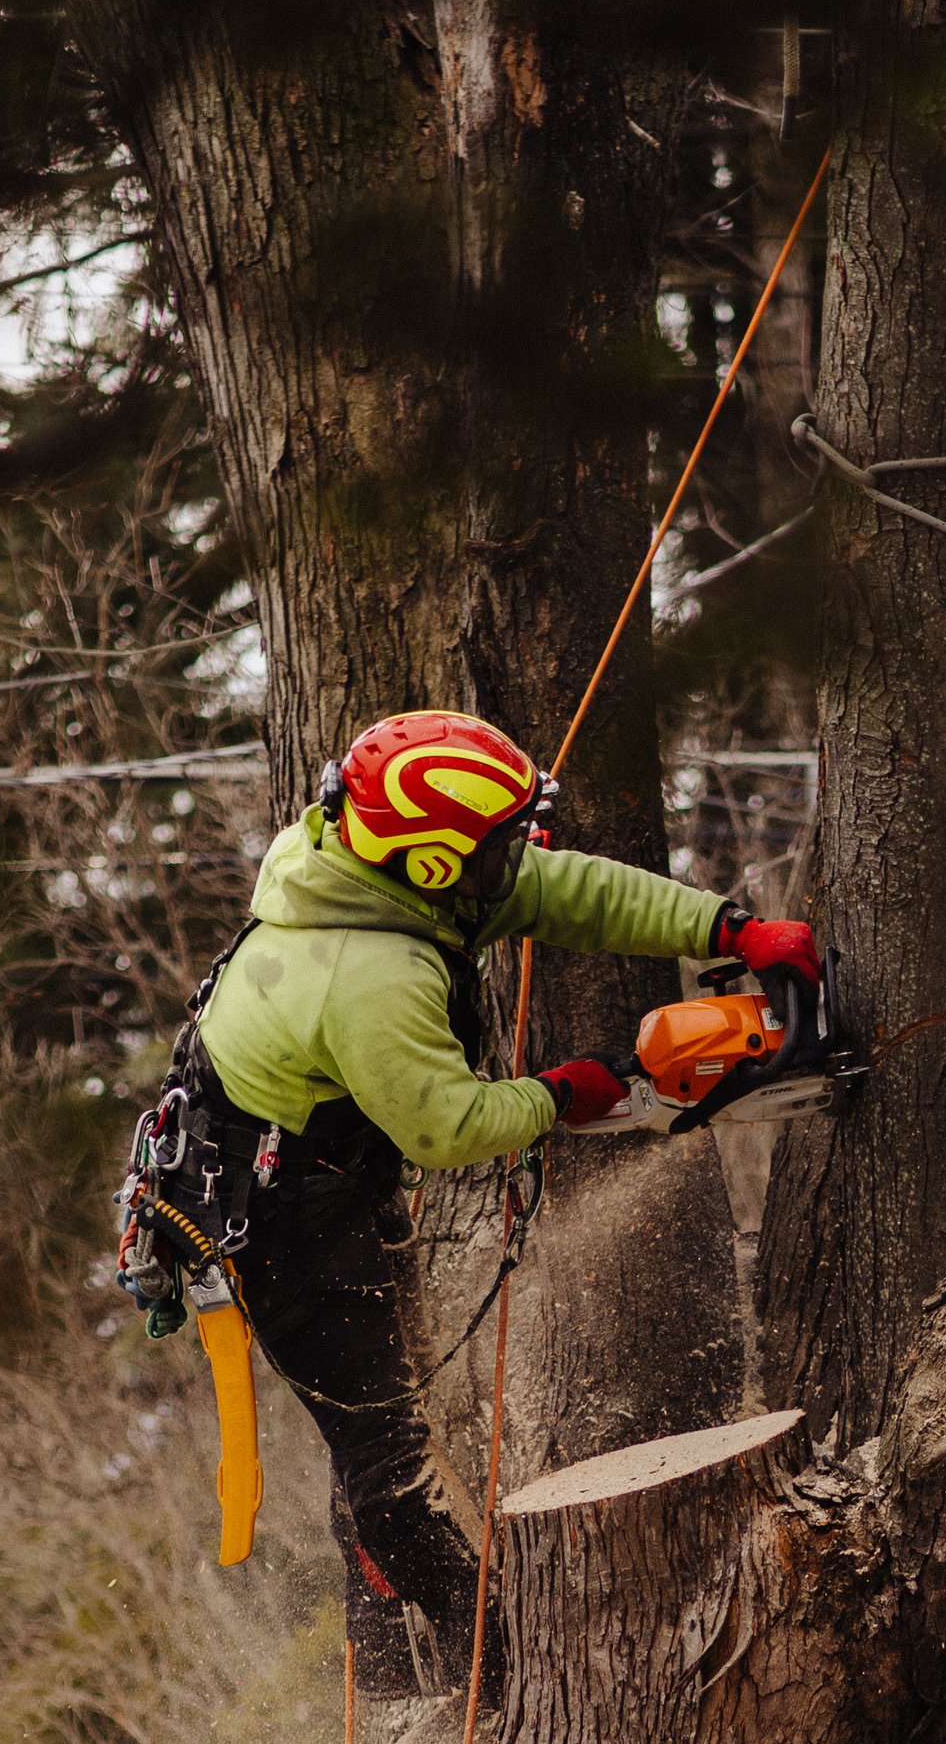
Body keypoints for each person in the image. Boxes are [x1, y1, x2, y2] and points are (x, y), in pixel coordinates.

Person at [184, 707, 820, 1689]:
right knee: (384, 1451)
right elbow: (446, 1130)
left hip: (321, 1171)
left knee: (381, 1418)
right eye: (496, 844)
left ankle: (399, 1660)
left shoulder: (379, 873)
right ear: (437, 864)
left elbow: (564, 892)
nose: (517, 856)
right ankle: (500, 1666)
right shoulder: (370, 972)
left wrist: (725, 927)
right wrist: (579, 1088)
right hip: (280, 1220)